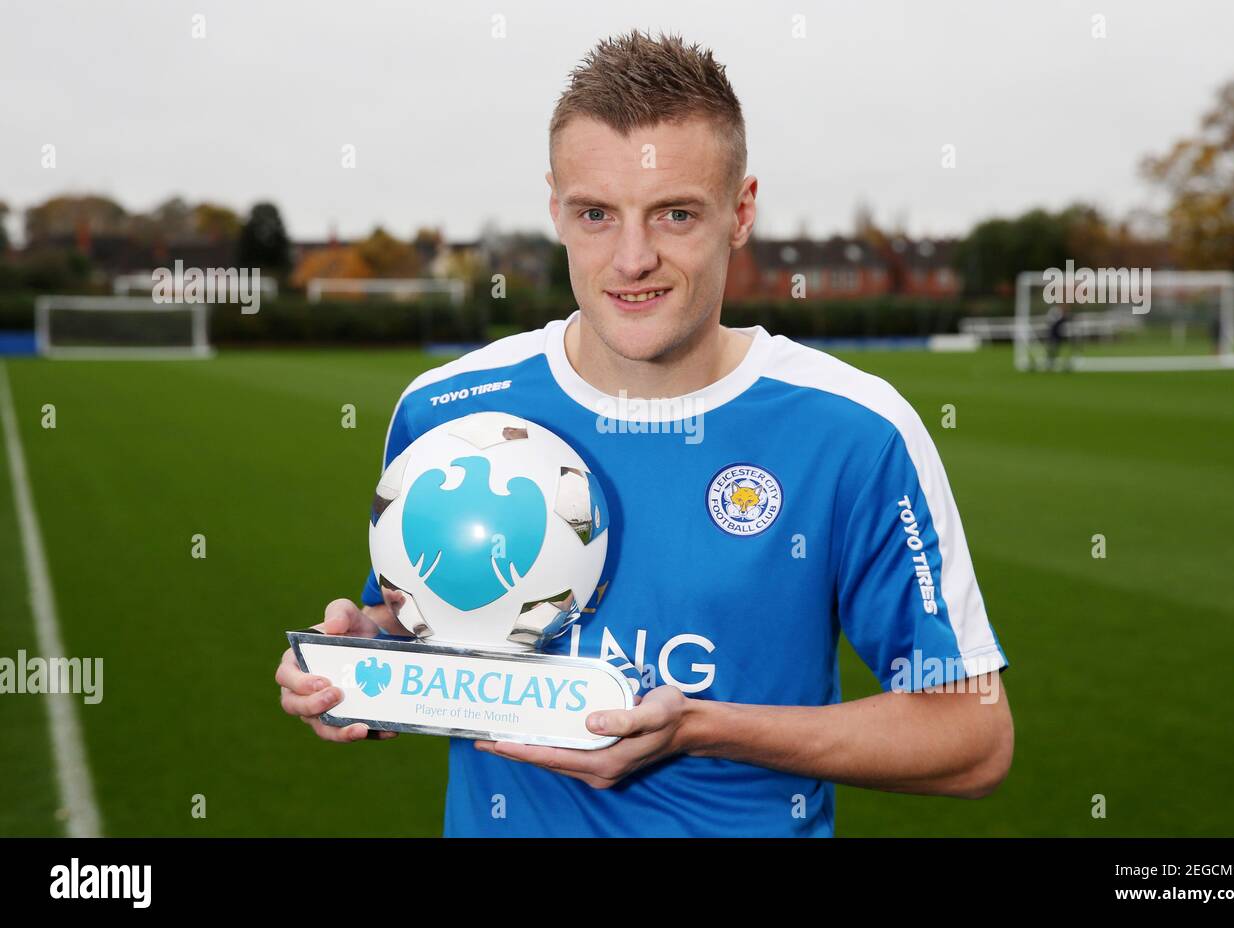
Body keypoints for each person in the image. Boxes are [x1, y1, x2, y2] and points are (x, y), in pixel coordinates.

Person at [276, 29, 1013, 837]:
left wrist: (703, 727)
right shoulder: (449, 407)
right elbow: (427, 625)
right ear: (555, 208)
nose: (631, 258)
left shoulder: (853, 432)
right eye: (596, 213)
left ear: (741, 212)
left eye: (674, 214)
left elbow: (972, 739)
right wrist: (357, 664)